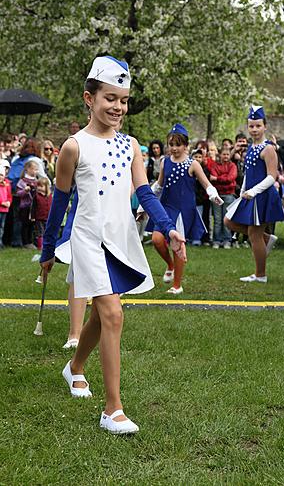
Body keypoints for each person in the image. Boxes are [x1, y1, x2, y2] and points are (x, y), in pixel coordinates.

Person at [40, 55, 186, 435]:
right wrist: (48, 249)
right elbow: (60, 203)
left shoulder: (131, 145)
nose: (118, 107)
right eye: (110, 98)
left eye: (123, 100)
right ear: (89, 98)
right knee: (113, 315)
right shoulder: (73, 147)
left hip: (119, 238)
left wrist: (167, 227)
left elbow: (144, 192)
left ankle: (74, 368)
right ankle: (112, 409)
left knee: (101, 316)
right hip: (87, 238)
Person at [143, 123, 223, 294]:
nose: (174, 148)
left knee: (177, 246)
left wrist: (213, 195)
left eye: (178, 144)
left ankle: (177, 285)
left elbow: (206, 184)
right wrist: (146, 201)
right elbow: (159, 185)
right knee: (157, 239)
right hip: (166, 208)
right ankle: (170, 264)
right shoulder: (165, 162)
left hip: (183, 210)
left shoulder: (193, 164)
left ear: (186, 146)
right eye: (171, 144)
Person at [224, 105, 284, 283]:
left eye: (258, 125)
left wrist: (253, 191)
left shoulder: (268, 149)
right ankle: (267, 239)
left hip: (262, 196)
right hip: (249, 194)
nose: (254, 129)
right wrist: (243, 191)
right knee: (229, 221)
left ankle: (260, 275)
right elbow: (249, 173)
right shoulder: (251, 147)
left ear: (265, 126)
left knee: (254, 234)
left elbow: (271, 176)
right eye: (251, 126)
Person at [208, 146, 237, 249]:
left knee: (226, 219)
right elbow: (212, 178)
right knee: (217, 219)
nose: (225, 156)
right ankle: (216, 240)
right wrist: (223, 178)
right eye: (224, 154)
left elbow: (231, 178)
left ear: (230, 155)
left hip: (229, 194)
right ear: (220, 155)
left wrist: (218, 178)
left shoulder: (233, 166)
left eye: (227, 154)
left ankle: (227, 240)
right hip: (217, 194)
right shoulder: (215, 166)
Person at [16, 160, 39, 249]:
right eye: (34, 169)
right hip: (25, 206)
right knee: (25, 225)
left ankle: (31, 241)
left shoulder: (37, 181)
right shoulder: (22, 181)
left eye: (37, 170)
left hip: (34, 207)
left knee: (32, 225)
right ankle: (25, 242)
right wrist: (25, 191)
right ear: (28, 169)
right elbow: (18, 194)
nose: (35, 171)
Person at [31, 177, 52, 250]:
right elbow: (33, 207)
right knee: (40, 233)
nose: (39, 188)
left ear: (46, 187)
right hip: (39, 218)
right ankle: (40, 246)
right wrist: (32, 217)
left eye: (41, 186)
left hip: (48, 218)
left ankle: (47, 246)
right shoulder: (36, 196)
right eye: (38, 186)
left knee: (48, 232)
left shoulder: (50, 196)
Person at [0, 166, 12, 248]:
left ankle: (0, 242)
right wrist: (1, 202)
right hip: (1, 206)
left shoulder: (7, 184)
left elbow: (9, 195)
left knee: (2, 227)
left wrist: (8, 202)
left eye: (1, 175)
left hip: (4, 209)